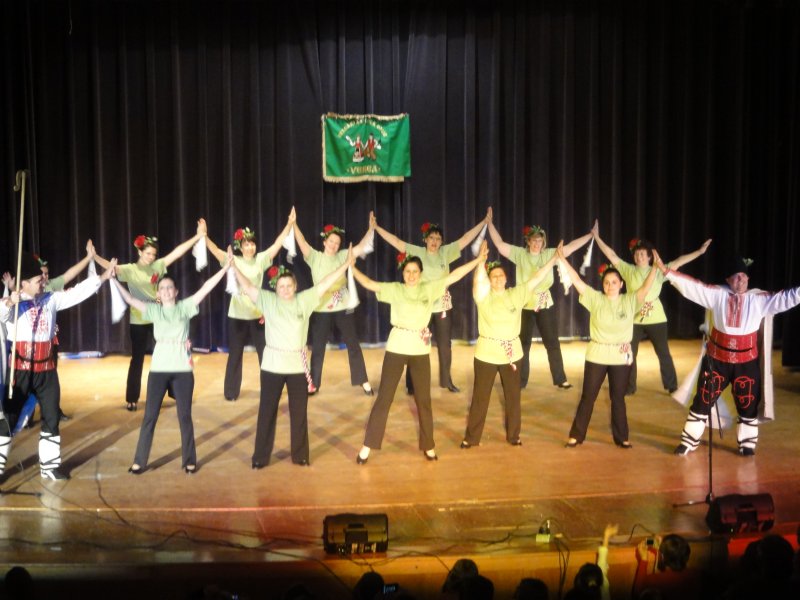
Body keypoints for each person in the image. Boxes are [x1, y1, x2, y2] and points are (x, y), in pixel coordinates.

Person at [351, 242, 487, 464]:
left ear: (421, 273)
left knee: (423, 400)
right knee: (384, 398)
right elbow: (369, 283)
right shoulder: (395, 289)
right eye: (408, 271)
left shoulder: (429, 288)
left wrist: (478, 260)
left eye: (415, 271)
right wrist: (351, 267)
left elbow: (454, 275)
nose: (411, 275)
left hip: (420, 349)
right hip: (397, 347)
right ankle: (367, 446)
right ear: (403, 273)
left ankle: (429, 445)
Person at [660, 255, 800, 456]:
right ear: (728, 280)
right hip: (717, 361)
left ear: (748, 279)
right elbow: (692, 287)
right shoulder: (717, 295)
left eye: (743, 276)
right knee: (703, 400)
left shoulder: (759, 299)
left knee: (747, 402)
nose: (740, 280)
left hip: (746, 363)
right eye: (735, 276)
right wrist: (667, 272)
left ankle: (747, 444)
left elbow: (786, 298)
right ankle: (689, 441)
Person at [112, 249, 233, 475]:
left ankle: (189, 460)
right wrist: (113, 280)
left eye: (170, 288)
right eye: (163, 288)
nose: (166, 291)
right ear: (158, 293)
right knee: (150, 416)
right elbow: (130, 299)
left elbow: (206, 287)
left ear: (176, 292)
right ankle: (139, 461)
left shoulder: (185, 307)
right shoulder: (153, 310)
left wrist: (225, 269)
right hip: (158, 370)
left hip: (182, 370)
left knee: (184, 416)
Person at [234, 246, 355, 469]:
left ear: (295, 286)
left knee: (299, 413)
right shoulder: (267, 300)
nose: (286, 289)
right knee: (267, 411)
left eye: (289, 285)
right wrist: (234, 267)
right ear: (275, 287)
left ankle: (300, 455)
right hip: (272, 366)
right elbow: (249, 287)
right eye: (281, 286)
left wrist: (346, 265)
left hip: (297, 367)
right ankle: (260, 457)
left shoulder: (305, 300)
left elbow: (325, 283)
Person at [0, 253, 116, 480]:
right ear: (24, 283)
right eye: (38, 280)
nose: (43, 281)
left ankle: (49, 467)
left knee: (51, 417)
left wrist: (102, 277)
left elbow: (76, 293)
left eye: (42, 278)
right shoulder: (13, 304)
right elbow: (1, 314)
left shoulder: (50, 299)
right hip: (21, 371)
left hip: (47, 371)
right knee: (9, 420)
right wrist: (11, 301)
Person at [373, 208, 492, 393]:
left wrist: (484, 222)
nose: (434, 242)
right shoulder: (417, 252)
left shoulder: (446, 252)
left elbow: (466, 238)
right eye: (431, 238)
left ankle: (447, 380)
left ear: (441, 241)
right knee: (415, 343)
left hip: (443, 306)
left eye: (438, 238)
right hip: (421, 307)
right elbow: (396, 242)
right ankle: (412, 384)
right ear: (425, 239)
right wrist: (376, 227)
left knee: (445, 346)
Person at [94, 221, 206, 412]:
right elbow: (111, 267)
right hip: (138, 320)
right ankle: (132, 398)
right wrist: (94, 256)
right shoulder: (130, 269)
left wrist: (197, 236)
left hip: (158, 318)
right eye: (148, 254)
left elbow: (177, 253)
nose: (151, 257)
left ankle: (175, 392)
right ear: (139, 252)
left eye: (153, 254)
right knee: (137, 359)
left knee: (169, 354)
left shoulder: (158, 266)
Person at [558, 242, 660, 448]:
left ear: (621, 284)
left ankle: (622, 437)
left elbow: (645, 288)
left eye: (614, 282)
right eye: (607, 282)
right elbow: (576, 280)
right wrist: (562, 259)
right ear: (602, 285)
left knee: (618, 398)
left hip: (621, 356)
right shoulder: (595, 298)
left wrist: (656, 268)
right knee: (588, 397)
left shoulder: (630, 300)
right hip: (597, 354)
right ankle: (577, 435)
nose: (610, 285)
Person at [592, 224, 712, 395]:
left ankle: (671, 385)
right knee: (629, 353)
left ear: (649, 256)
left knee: (663, 352)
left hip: (656, 318)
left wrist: (699, 252)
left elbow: (679, 261)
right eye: (637, 254)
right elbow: (611, 255)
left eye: (643, 254)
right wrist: (597, 237)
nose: (639, 256)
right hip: (633, 318)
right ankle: (629, 386)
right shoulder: (628, 270)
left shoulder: (658, 270)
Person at [460, 250, 558, 449]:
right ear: (489, 280)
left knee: (513, 397)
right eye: (493, 276)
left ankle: (514, 435)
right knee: (480, 398)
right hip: (486, 354)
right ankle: (472, 438)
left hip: (512, 354)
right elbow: (477, 282)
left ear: (506, 278)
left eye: (500, 275)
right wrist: (481, 261)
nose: (497, 278)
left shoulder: (516, 294)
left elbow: (537, 278)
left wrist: (554, 258)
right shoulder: (483, 296)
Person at [487, 219, 594, 390]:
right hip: (524, 303)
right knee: (523, 344)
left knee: (552, 342)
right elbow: (500, 245)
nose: (537, 244)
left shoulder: (549, 254)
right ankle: (521, 380)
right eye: (534, 240)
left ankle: (560, 378)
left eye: (539, 240)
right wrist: (490, 224)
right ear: (528, 241)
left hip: (544, 303)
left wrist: (590, 235)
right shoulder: (520, 254)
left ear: (543, 242)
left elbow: (571, 247)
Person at [203, 210, 296, 401]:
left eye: (252, 243)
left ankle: (269, 390)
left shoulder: (261, 259)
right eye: (246, 244)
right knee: (235, 354)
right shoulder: (233, 259)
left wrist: (289, 224)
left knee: (265, 354)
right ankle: (231, 392)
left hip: (258, 314)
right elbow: (215, 251)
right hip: (237, 315)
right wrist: (203, 235)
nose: (250, 247)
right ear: (240, 246)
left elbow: (277, 244)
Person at [293, 214, 375, 396]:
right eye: (331, 241)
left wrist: (371, 229)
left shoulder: (343, 255)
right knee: (318, 347)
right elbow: (302, 242)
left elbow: (361, 247)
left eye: (337, 243)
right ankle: (313, 383)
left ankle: (363, 380)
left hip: (342, 305)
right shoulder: (314, 256)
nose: (334, 245)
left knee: (352, 343)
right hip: (321, 307)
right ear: (325, 241)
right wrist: (294, 224)